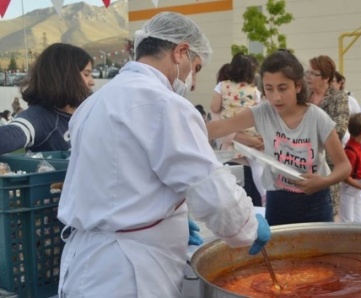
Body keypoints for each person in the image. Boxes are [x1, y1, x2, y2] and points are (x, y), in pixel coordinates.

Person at [56, 12, 270, 297]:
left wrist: (168, 212)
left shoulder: (97, 101)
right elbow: (213, 192)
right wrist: (249, 226)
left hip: (87, 260)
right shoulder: (163, 103)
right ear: (180, 52)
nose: (192, 82)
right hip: (128, 270)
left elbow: (120, 179)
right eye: (196, 67)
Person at [207, 50, 351, 226]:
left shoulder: (317, 118)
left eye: (283, 88)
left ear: (298, 86)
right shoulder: (263, 112)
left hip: (315, 202)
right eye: (269, 89)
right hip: (278, 199)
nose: (276, 97)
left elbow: (344, 166)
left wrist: (323, 182)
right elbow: (220, 127)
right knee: (278, 252)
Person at [0, 43, 95, 155]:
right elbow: (11, 135)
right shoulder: (41, 117)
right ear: (65, 77)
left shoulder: (89, 112)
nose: (92, 82)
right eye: (86, 74)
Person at [209, 53, 266, 203]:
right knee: (258, 167)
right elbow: (259, 113)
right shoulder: (254, 91)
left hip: (230, 133)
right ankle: (265, 194)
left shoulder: (222, 86)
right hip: (251, 132)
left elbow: (214, 107)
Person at [307, 55, 350, 218]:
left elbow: (339, 129)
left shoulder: (339, 97)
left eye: (313, 73)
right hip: (303, 160)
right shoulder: (303, 96)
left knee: (330, 209)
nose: (308, 77)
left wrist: (309, 136)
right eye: (307, 73)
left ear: (325, 77)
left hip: (329, 162)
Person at [339, 113, 361, 222]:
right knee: (347, 221)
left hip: (358, 188)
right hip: (350, 190)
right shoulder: (351, 152)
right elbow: (346, 177)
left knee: (359, 220)